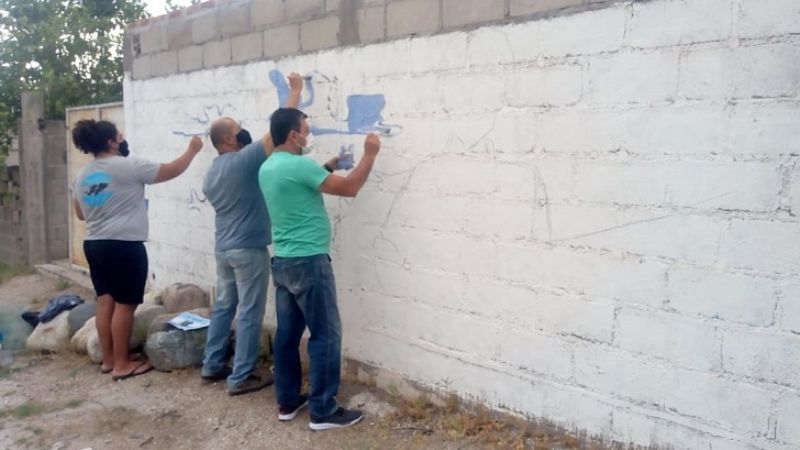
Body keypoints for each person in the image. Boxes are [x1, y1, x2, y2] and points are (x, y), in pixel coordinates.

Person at [258, 107, 381, 430]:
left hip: (283, 262)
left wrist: (329, 166)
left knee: (287, 336)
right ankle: (323, 410)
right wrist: (370, 154)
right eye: (306, 130)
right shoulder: (299, 165)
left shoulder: (268, 166)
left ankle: (287, 401)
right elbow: (349, 187)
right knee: (325, 334)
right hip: (309, 262)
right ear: (293, 135)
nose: (309, 134)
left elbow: (300, 184)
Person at [71, 119, 203, 381]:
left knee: (105, 301)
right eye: (119, 135)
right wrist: (192, 150)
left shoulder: (82, 175)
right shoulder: (129, 165)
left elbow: (80, 213)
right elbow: (170, 171)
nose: (123, 138)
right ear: (111, 142)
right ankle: (122, 365)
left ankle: (109, 359)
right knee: (125, 305)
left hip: (94, 244)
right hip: (124, 245)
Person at [199, 72, 304, 396]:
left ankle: (212, 364)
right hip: (248, 249)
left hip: (223, 249)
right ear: (229, 140)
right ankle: (241, 376)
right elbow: (278, 132)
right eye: (237, 129)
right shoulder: (243, 161)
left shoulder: (212, 173)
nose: (242, 132)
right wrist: (295, 91)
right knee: (249, 312)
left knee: (224, 306)